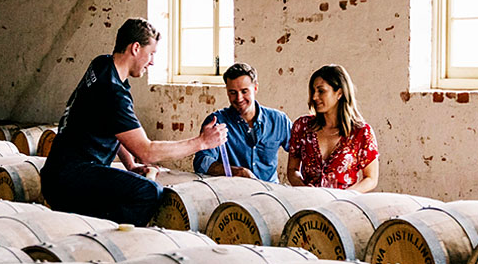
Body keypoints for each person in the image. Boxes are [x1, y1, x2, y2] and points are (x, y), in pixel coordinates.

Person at [40, 18, 227, 224]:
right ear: (136, 48)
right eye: (152, 53)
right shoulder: (112, 92)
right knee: (147, 192)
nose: (153, 61)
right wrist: (202, 142)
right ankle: (110, 239)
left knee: (132, 184)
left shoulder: (102, 64)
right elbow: (147, 151)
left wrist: (130, 164)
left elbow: (113, 127)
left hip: (58, 172)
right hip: (71, 179)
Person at [286, 64, 379, 192]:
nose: (314, 97)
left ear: (339, 93)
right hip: (309, 205)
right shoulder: (302, 127)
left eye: (321, 91)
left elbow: (371, 178)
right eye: (313, 91)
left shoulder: (361, 132)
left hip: (344, 206)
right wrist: (304, 189)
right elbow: (292, 170)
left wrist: (344, 196)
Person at [193, 63, 291, 182]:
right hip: (232, 195)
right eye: (233, 92)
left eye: (244, 91)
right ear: (227, 91)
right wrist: (235, 171)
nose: (239, 98)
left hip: (271, 194)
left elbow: (301, 151)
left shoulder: (279, 120)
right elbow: (201, 162)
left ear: (255, 88)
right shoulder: (216, 122)